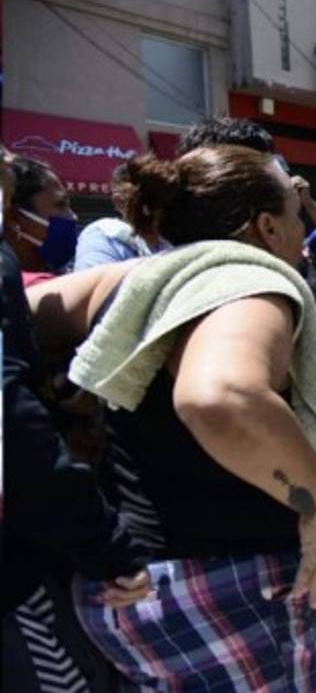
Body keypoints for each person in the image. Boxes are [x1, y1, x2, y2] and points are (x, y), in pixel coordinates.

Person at [26, 144, 316, 691]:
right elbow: (220, 396)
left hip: (124, 583)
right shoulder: (246, 284)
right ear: (266, 228)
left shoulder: (134, 279)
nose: (302, 236)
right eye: (293, 213)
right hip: (222, 593)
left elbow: (17, 316)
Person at [2, 146, 152, 693]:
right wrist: (108, 548)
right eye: (57, 204)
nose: (67, 218)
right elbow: (14, 425)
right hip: (28, 563)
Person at [73, 164, 170, 271]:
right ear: (119, 201)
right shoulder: (105, 236)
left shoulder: (171, 241)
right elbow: (93, 284)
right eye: (145, 196)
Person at [3, 155, 77, 284]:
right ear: (13, 220)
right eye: (60, 205)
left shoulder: (61, 277)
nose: (73, 217)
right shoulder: (8, 288)